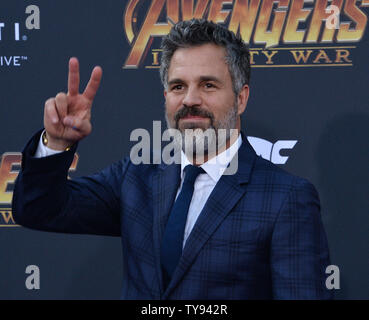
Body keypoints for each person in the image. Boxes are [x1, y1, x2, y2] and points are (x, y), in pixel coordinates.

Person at [12, 19, 333, 299]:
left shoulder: (285, 199)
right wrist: (56, 142)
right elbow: (39, 210)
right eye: (178, 86)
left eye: (208, 85)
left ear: (241, 97)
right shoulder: (136, 177)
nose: (190, 100)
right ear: (166, 97)